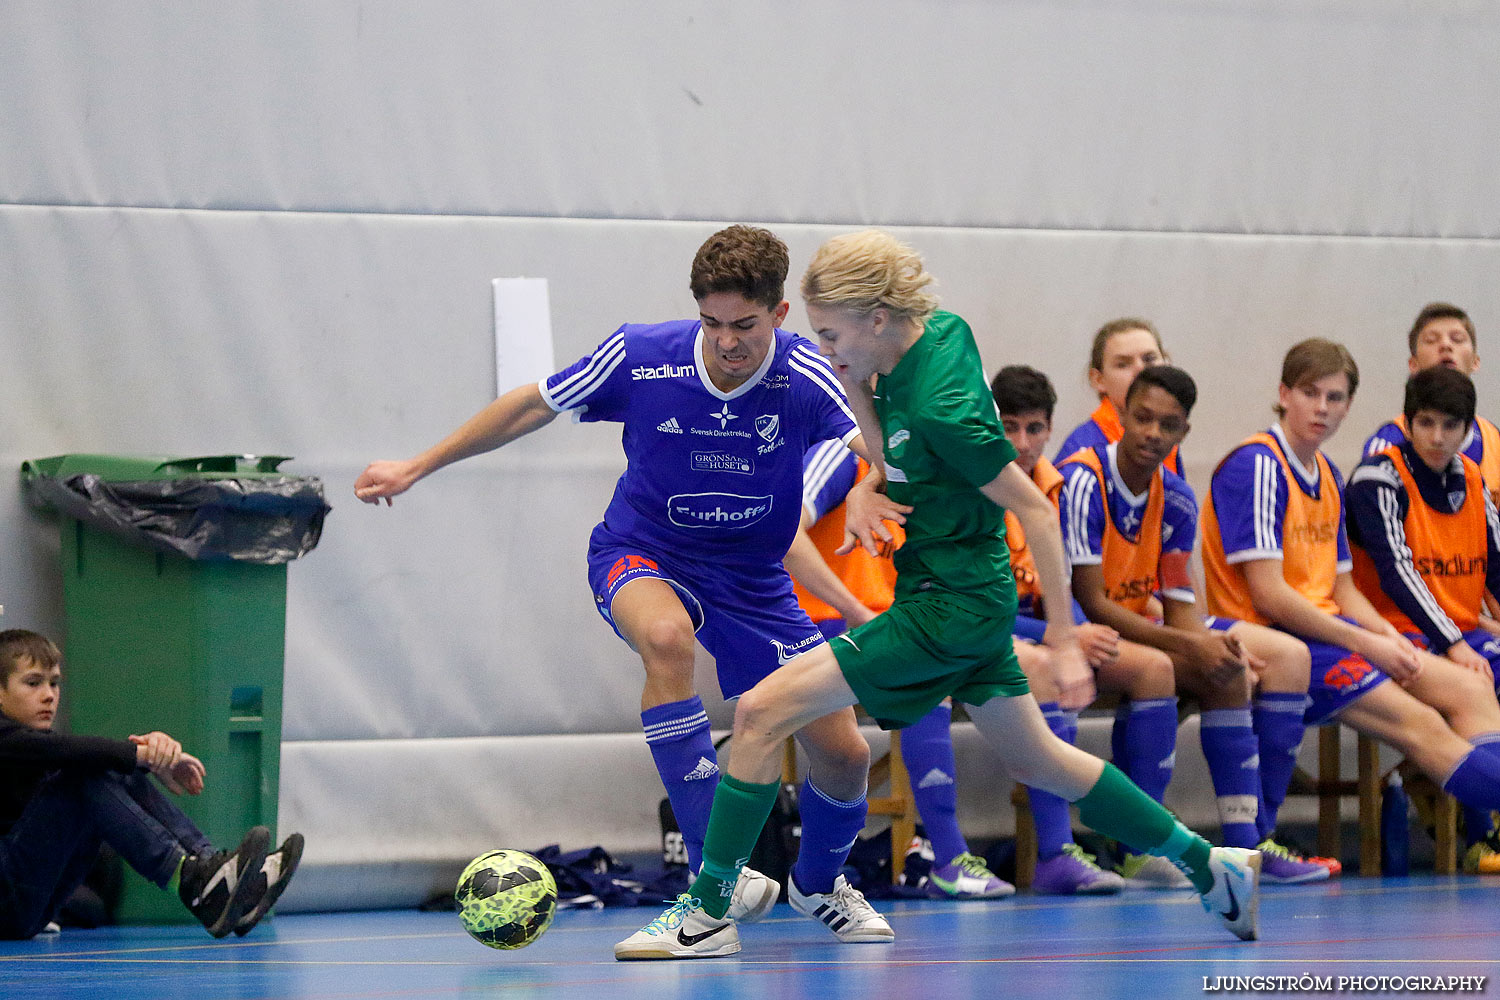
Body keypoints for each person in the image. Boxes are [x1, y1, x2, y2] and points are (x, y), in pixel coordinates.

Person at [615, 230, 1262, 961]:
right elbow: (886, 437)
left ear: (877, 320)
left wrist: (1059, 637)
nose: (821, 352)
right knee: (1042, 759)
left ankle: (705, 913)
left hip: (945, 609)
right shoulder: (936, 334)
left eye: (830, 335)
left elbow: (1038, 513)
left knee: (762, 711)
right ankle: (1213, 865)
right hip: (964, 597)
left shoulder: (944, 410)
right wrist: (867, 481)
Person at [355, 225, 900, 939]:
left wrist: (874, 480)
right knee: (667, 638)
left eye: (745, 324)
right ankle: (717, 882)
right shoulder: (643, 357)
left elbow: (880, 441)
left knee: (846, 751)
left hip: (753, 578)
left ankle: (820, 885)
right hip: (643, 551)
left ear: (779, 315)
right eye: (711, 322)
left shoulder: (807, 371)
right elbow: (530, 404)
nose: (726, 341)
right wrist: (417, 465)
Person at [1200, 338, 1500, 878]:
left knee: (1470, 688)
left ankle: (1490, 832)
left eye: (1335, 397)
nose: (1322, 408)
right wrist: (1366, 643)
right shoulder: (1258, 465)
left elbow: (1343, 588)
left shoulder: (1328, 477)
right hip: (1273, 636)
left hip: (1330, 634)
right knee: (1421, 725)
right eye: (1310, 393)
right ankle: (1256, 843)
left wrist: (1386, 637)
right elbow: (1269, 595)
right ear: (1283, 394)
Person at [1057, 366, 1327, 884]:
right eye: (1143, 419)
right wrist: (1189, 645)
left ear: (1184, 433)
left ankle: (1246, 845)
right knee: (1158, 668)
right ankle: (1139, 845)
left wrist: (1210, 649)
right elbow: (1090, 600)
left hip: (1135, 630)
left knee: (1230, 671)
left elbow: (1180, 603)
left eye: (1168, 425)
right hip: (1076, 630)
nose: (1153, 434)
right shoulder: (1083, 479)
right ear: (1119, 415)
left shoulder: (1177, 498)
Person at [785, 436, 1013, 899]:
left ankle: (1053, 848)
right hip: (813, 623)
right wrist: (852, 608)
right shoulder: (842, 457)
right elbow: (784, 535)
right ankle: (948, 858)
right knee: (928, 673)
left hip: (885, 623)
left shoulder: (924, 471)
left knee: (1029, 669)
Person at [0, 629, 302, 940]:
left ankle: (214, 873)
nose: (49, 694)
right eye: (33, 683)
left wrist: (142, 760)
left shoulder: (37, 747)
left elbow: (75, 754)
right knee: (87, 771)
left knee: (105, 768)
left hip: (27, 907)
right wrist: (145, 755)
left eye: (54, 683)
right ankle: (191, 880)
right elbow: (62, 751)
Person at [1347, 366, 1500, 872]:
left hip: (1461, 633)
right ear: (1407, 422)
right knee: (1475, 683)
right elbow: (1397, 573)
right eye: (1425, 422)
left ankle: (1473, 820)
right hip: (1396, 633)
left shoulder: (1475, 481)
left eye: (1450, 425)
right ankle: (1483, 836)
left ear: (1468, 430)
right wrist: (1455, 642)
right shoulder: (1378, 476)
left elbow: (1497, 568)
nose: (1437, 437)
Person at [1363, 303, 1500, 503]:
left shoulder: (1494, 439)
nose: (1445, 345)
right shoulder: (1388, 442)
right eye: (1431, 340)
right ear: (1413, 364)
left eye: (1457, 339)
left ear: (1475, 361)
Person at [1053, 317, 1185, 478]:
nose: (1140, 370)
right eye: (1123, 364)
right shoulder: (1082, 451)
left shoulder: (1166, 437)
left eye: (1149, 359)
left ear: (1167, 363)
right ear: (1098, 379)